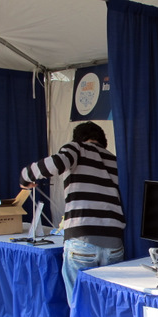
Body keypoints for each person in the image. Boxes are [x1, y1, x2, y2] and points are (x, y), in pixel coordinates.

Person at [19, 122, 126, 305]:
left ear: (79, 138)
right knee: (109, 304)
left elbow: (56, 163)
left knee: (80, 306)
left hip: (82, 241)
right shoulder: (115, 160)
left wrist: (25, 177)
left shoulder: (76, 148)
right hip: (114, 242)